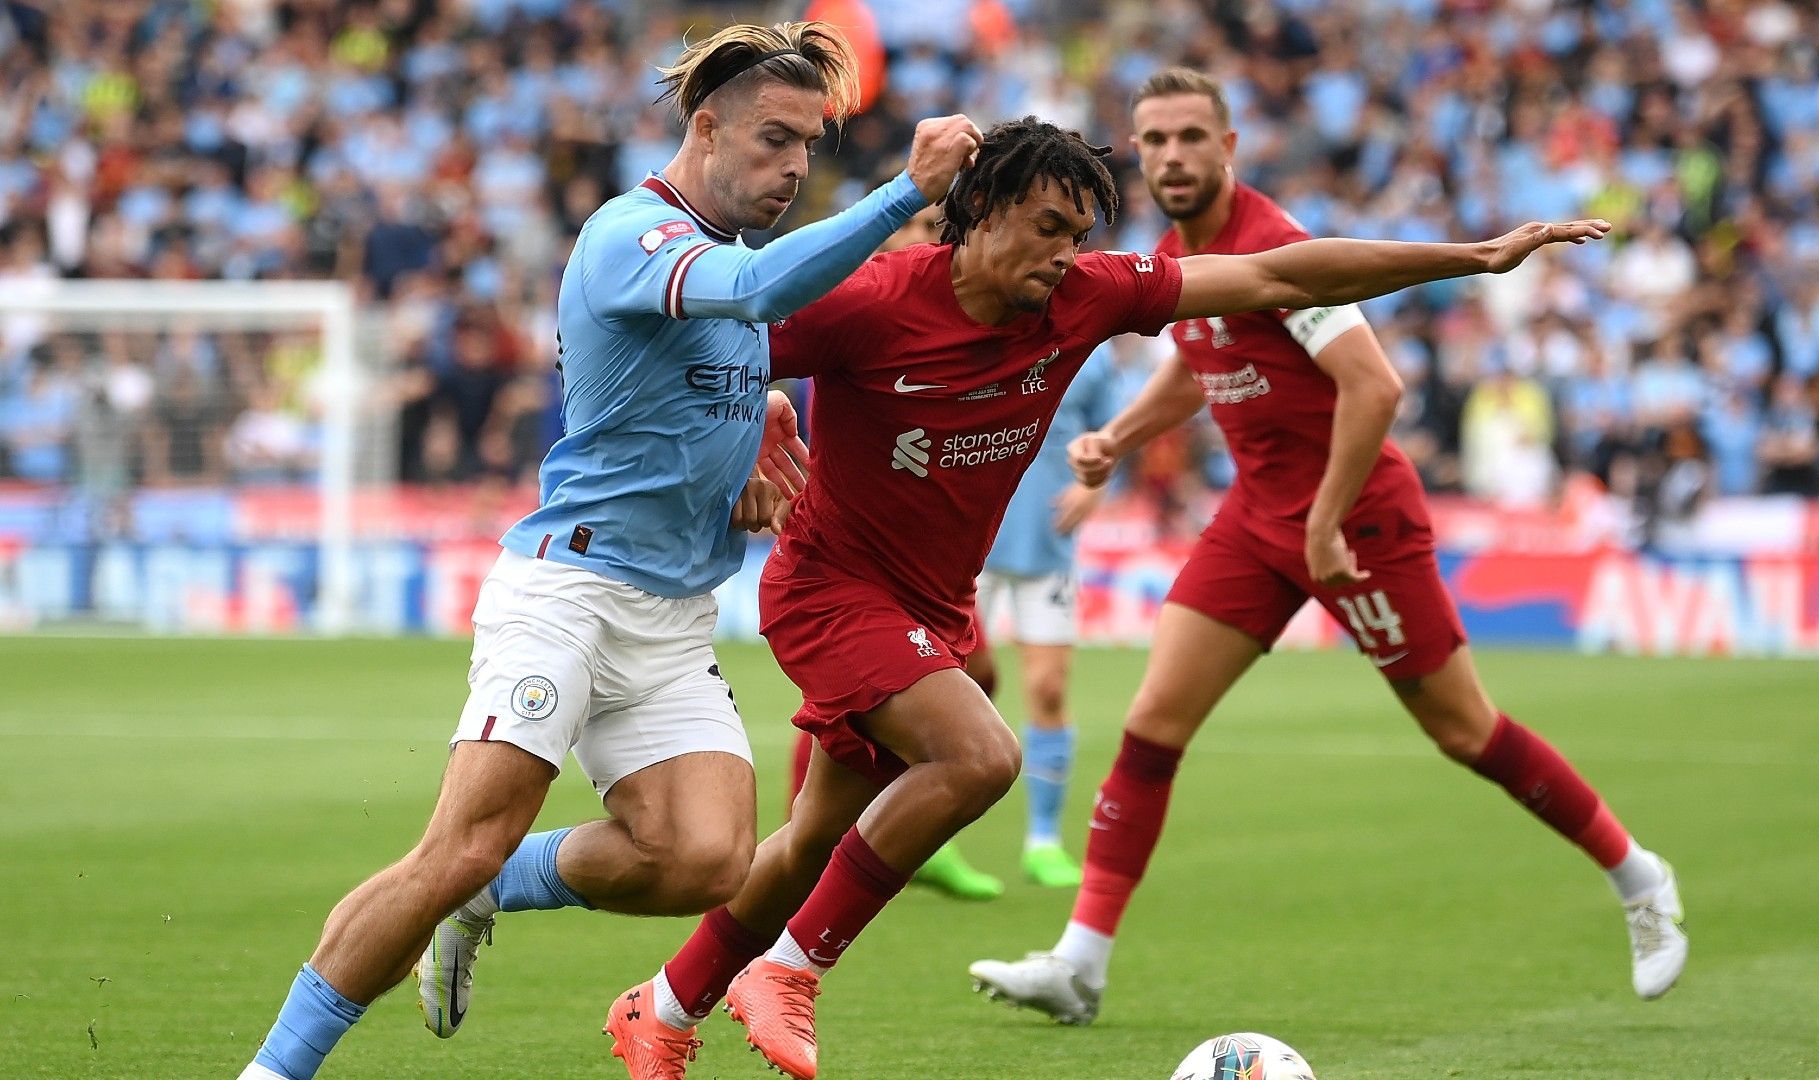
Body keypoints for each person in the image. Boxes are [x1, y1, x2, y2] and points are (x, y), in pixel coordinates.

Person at [605, 110, 1607, 1080]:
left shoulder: (1086, 297)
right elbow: (695, 356)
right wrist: (749, 440)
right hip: (833, 589)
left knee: (811, 839)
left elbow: (1274, 274)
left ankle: (665, 1003)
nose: (1063, 254)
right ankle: (790, 970)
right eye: (1048, 229)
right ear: (981, 208)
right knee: (980, 755)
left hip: (934, 606)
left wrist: (1472, 256)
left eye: (1079, 235)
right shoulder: (870, 301)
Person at [234, 22, 982, 1080]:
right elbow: (762, 294)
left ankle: (496, 886)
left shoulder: (721, 268)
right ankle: (276, 1068)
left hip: (673, 613)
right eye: (773, 140)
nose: (794, 167)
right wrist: (905, 195)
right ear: (705, 124)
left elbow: (696, 388)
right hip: (571, 590)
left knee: (708, 859)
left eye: (809, 147)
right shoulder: (630, 234)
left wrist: (745, 468)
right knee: (455, 845)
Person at [966, 69, 1685, 1030]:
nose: (1172, 155)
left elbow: (1374, 388)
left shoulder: (1274, 245)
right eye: (1155, 139)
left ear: (1229, 148)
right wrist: (1120, 439)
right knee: (1151, 727)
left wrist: (1324, 518)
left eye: (1190, 136)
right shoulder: (1188, 254)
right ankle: (1079, 963)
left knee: (1464, 732)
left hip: (1358, 522)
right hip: (1261, 521)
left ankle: (1639, 878)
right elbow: (1205, 354)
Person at [782, 202, 1009, 903]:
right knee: (855, 715)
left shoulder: (959, 310)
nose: (931, 238)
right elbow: (741, 349)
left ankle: (864, 829)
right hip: (852, 553)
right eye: (921, 222)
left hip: (929, 561)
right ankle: (824, 841)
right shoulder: (868, 299)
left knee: (977, 673)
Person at [972, 340, 1121, 888]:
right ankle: (928, 840)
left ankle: (1043, 839)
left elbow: (1115, 432)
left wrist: (1095, 489)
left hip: (1048, 537)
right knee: (958, 686)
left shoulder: (1094, 348)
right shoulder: (984, 321)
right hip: (969, 539)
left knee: (1050, 689)